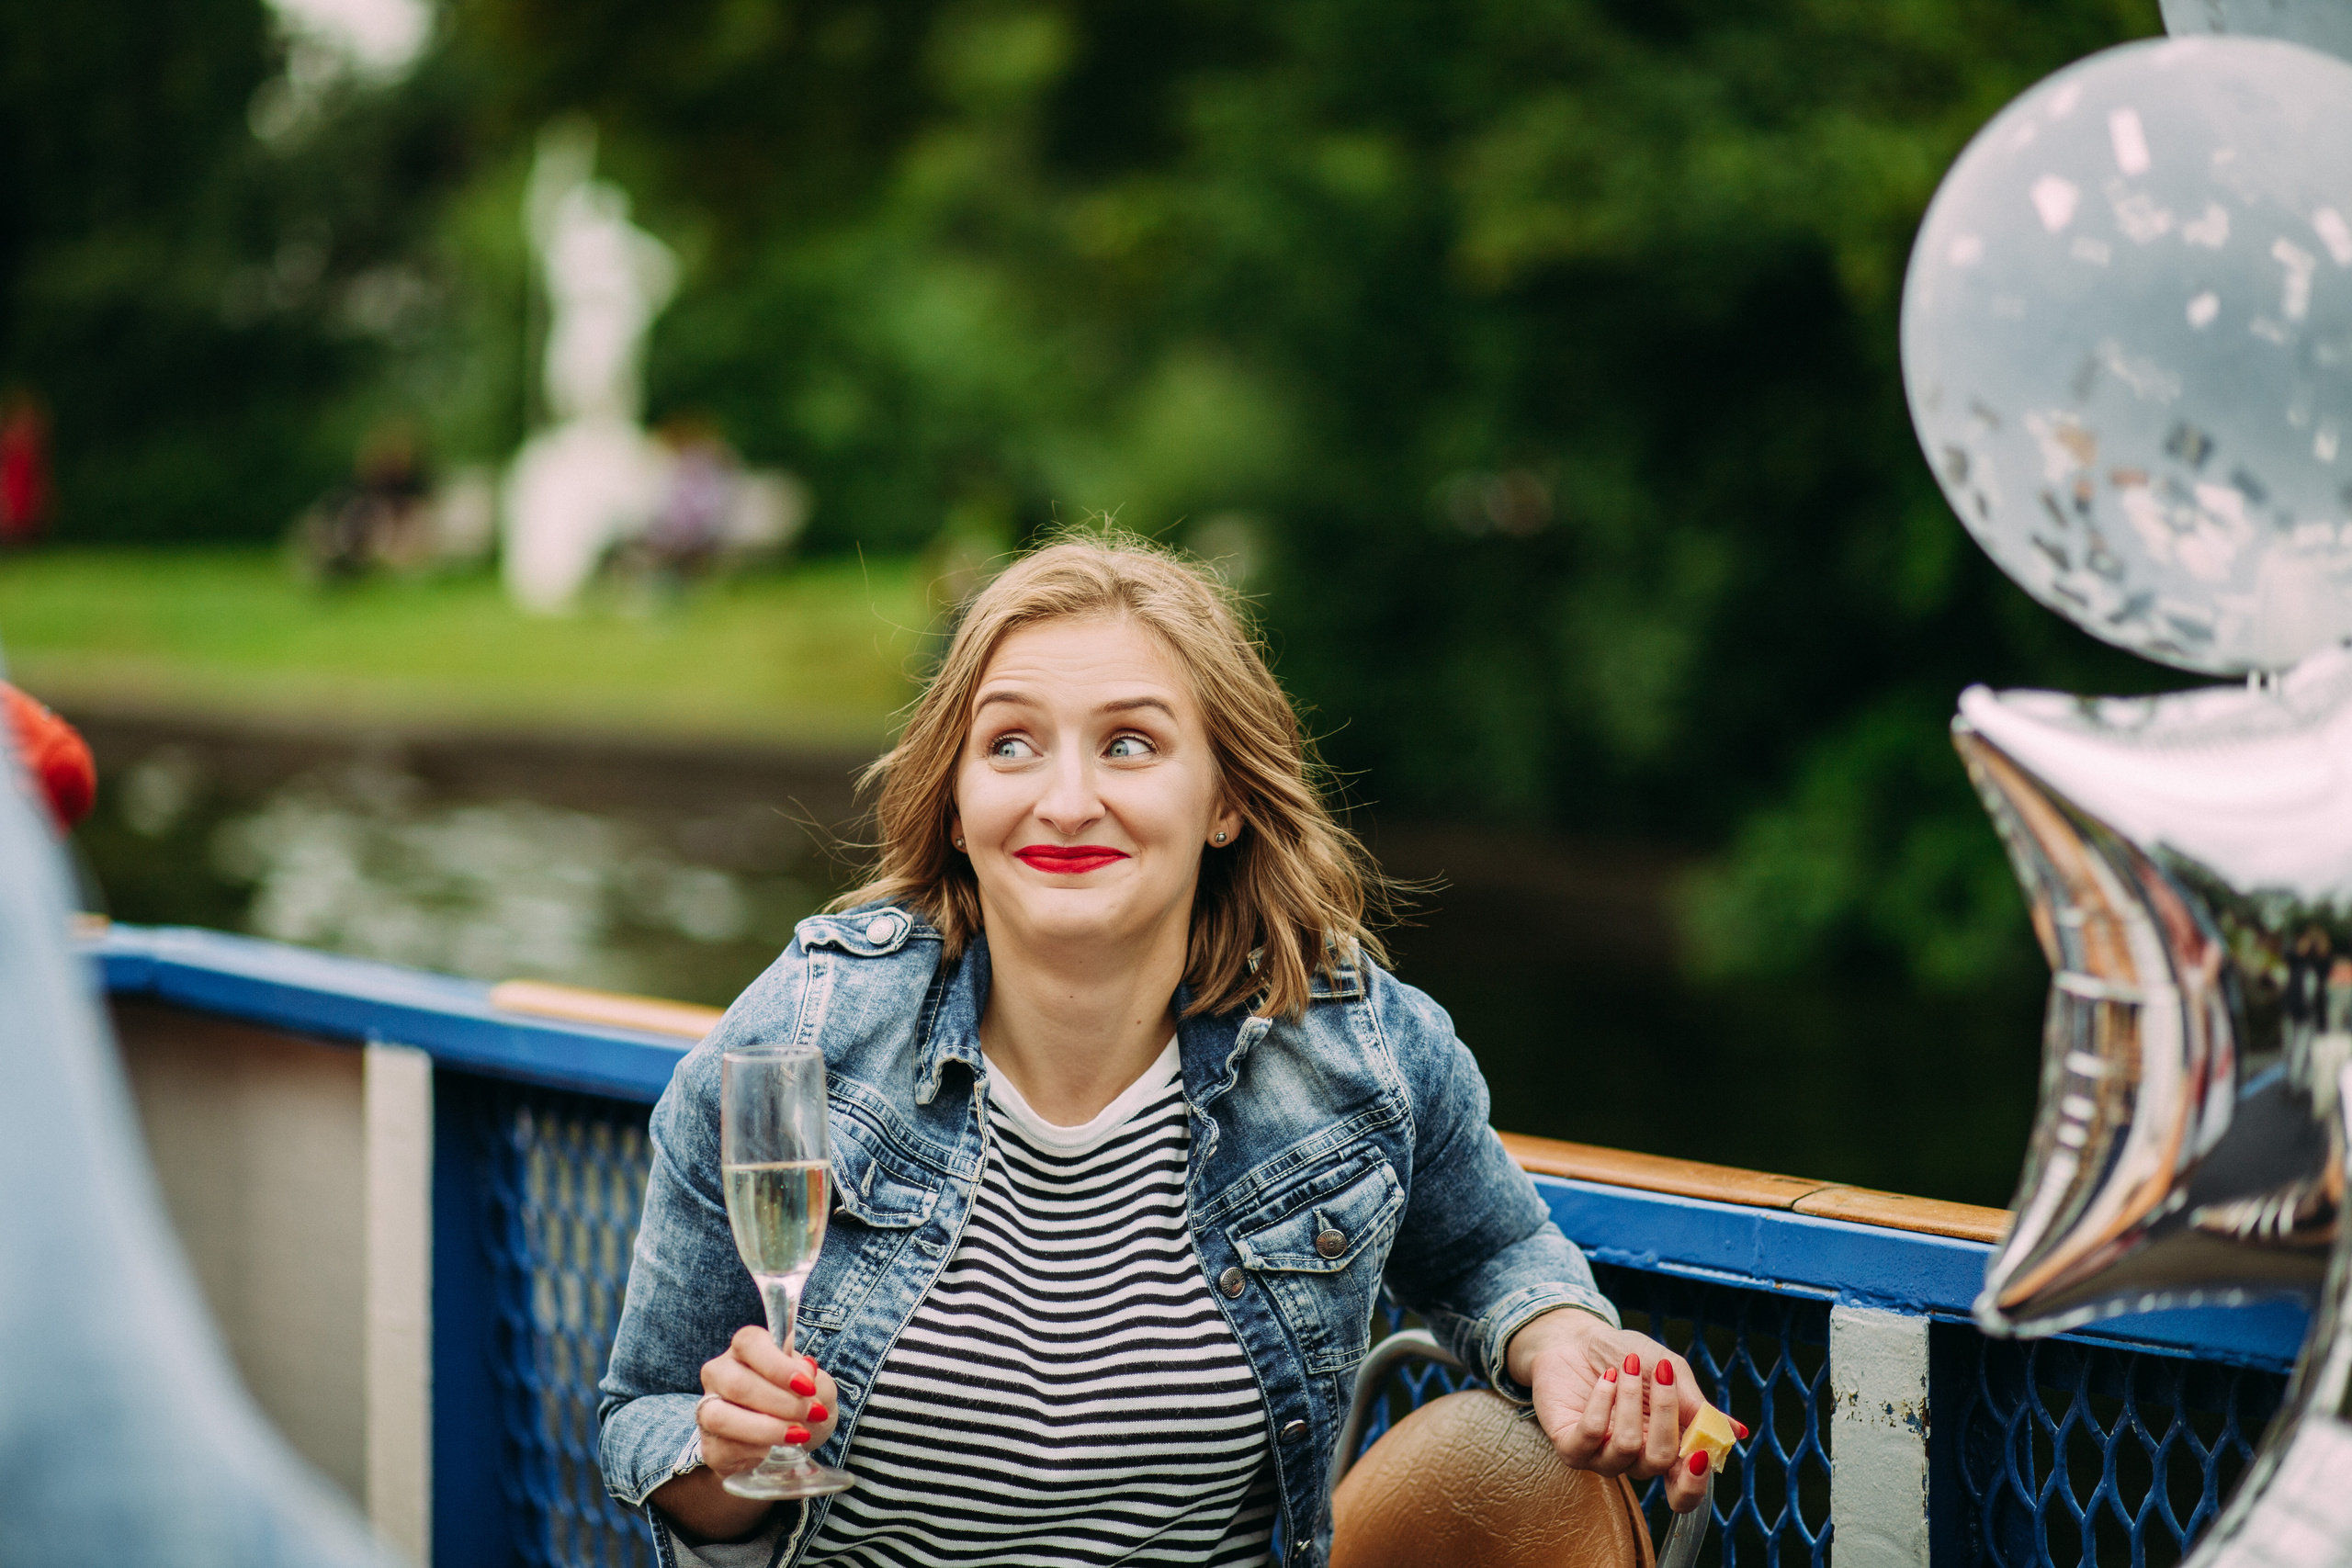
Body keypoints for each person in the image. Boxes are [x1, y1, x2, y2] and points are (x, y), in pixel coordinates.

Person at [599, 535, 1719, 1568]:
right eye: (1011, 745)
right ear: (954, 801)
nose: (1067, 800)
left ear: (1223, 797)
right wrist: (727, 1458)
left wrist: (1563, 1337)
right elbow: (641, 1415)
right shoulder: (801, 1033)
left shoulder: (1356, 1047)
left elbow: (1493, 1255)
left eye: (1128, 744)